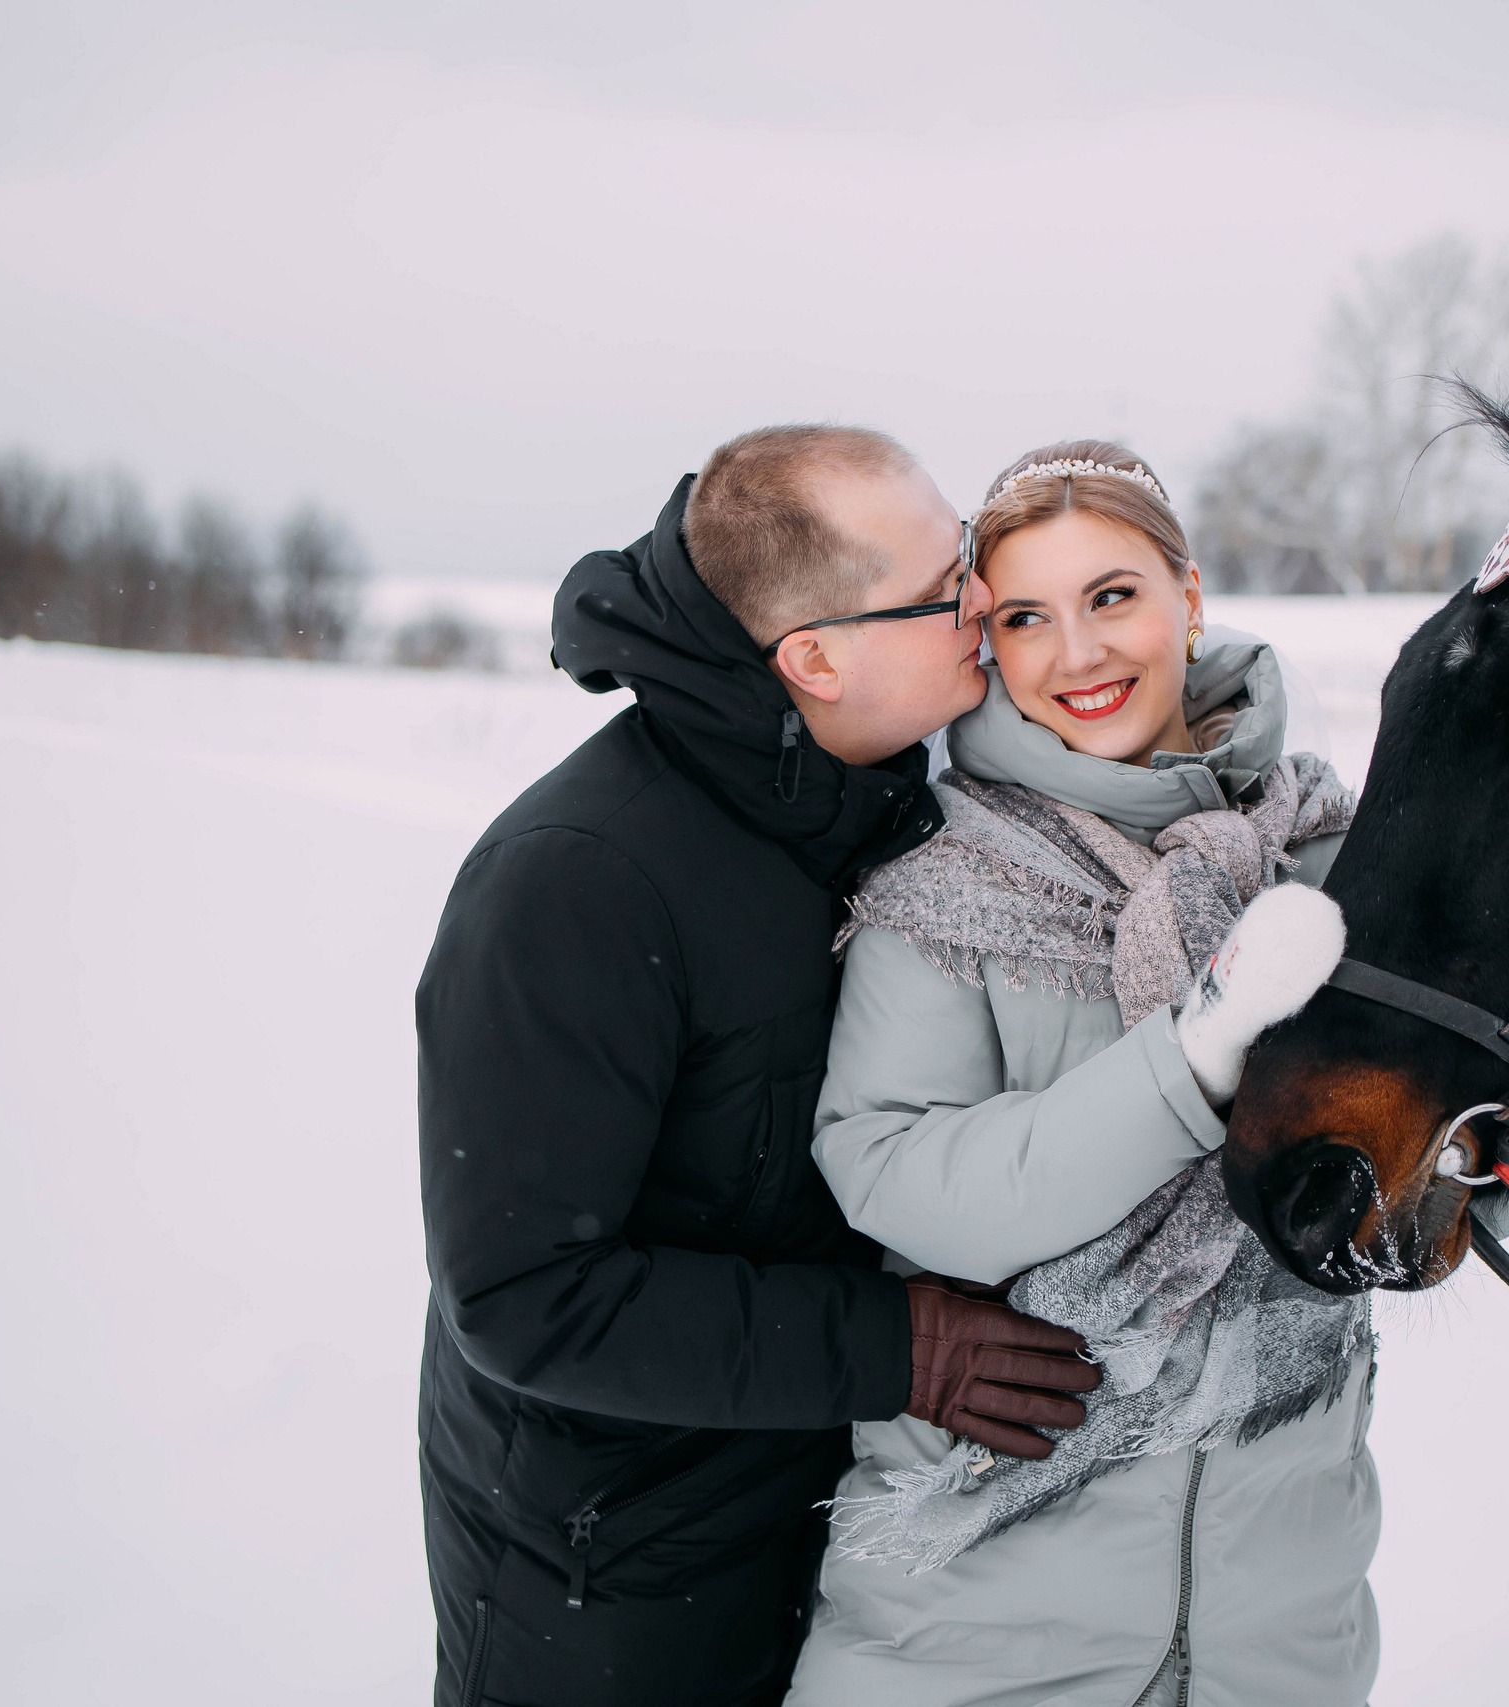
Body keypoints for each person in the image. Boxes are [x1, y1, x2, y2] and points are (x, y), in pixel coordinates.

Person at [415, 425, 1105, 1707]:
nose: (982, 600)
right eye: (941, 584)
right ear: (815, 659)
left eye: (968, 555)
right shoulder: (578, 885)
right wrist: (896, 1347)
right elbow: (525, 1296)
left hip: (841, 1511)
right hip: (612, 1571)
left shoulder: (899, 796)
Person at [787, 441, 1382, 1707]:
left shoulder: (1335, 854)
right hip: (973, 1634)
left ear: (1190, 596)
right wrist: (1190, 1062)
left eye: (1112, 595)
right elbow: (897, 1175)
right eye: (1023, 618)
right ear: (987, 642)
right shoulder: (949, 878)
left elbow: (1394, 1172)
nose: (1078, 654)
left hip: (1282, 1629)